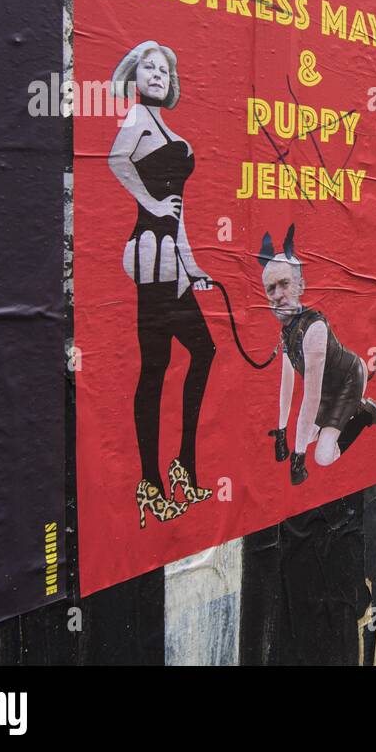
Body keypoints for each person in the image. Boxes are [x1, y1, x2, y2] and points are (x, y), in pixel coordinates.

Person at [108, 40, 215, 528]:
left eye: (164, 71)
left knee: (203, 352)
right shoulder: (135, 121)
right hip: (151, 261)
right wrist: (149, 206)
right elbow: (115, 161)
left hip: (173, 264)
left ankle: (184, 465)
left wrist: (194, 268)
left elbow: (180, 212)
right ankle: (151, 482)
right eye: (149, 68)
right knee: (156, 367)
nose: (157, 75)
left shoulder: (164, 126)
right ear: (134, 75)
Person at [258, 226, 376, 485]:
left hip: (348, 379)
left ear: (301, 285)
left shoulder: (313, 328)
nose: (277, 295)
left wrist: (298, 459)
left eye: (284, 284)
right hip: (327, 392)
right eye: (270, 289)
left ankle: (363, 414)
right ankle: (343, 415)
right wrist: (283, 432)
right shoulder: (286, 331)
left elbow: (311, 396)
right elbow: (287, 384)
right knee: (303, 435)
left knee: (322, 456)